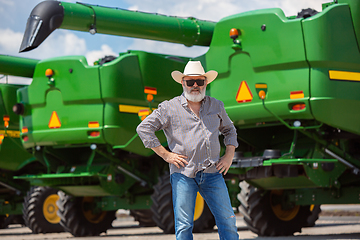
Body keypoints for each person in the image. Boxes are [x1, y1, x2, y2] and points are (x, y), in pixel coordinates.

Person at [136, 61, 239, 240]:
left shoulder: (216, 105)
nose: (195, 86)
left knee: (228, 220)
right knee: (184, 226)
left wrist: (229, 155)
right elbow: (143, 128)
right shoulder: (169, 107)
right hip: (183, 174)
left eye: (199, 81)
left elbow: (229, 130)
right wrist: (166, 154)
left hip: (213, 173)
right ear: (183, 83)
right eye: (190, 82)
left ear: (206, 83)